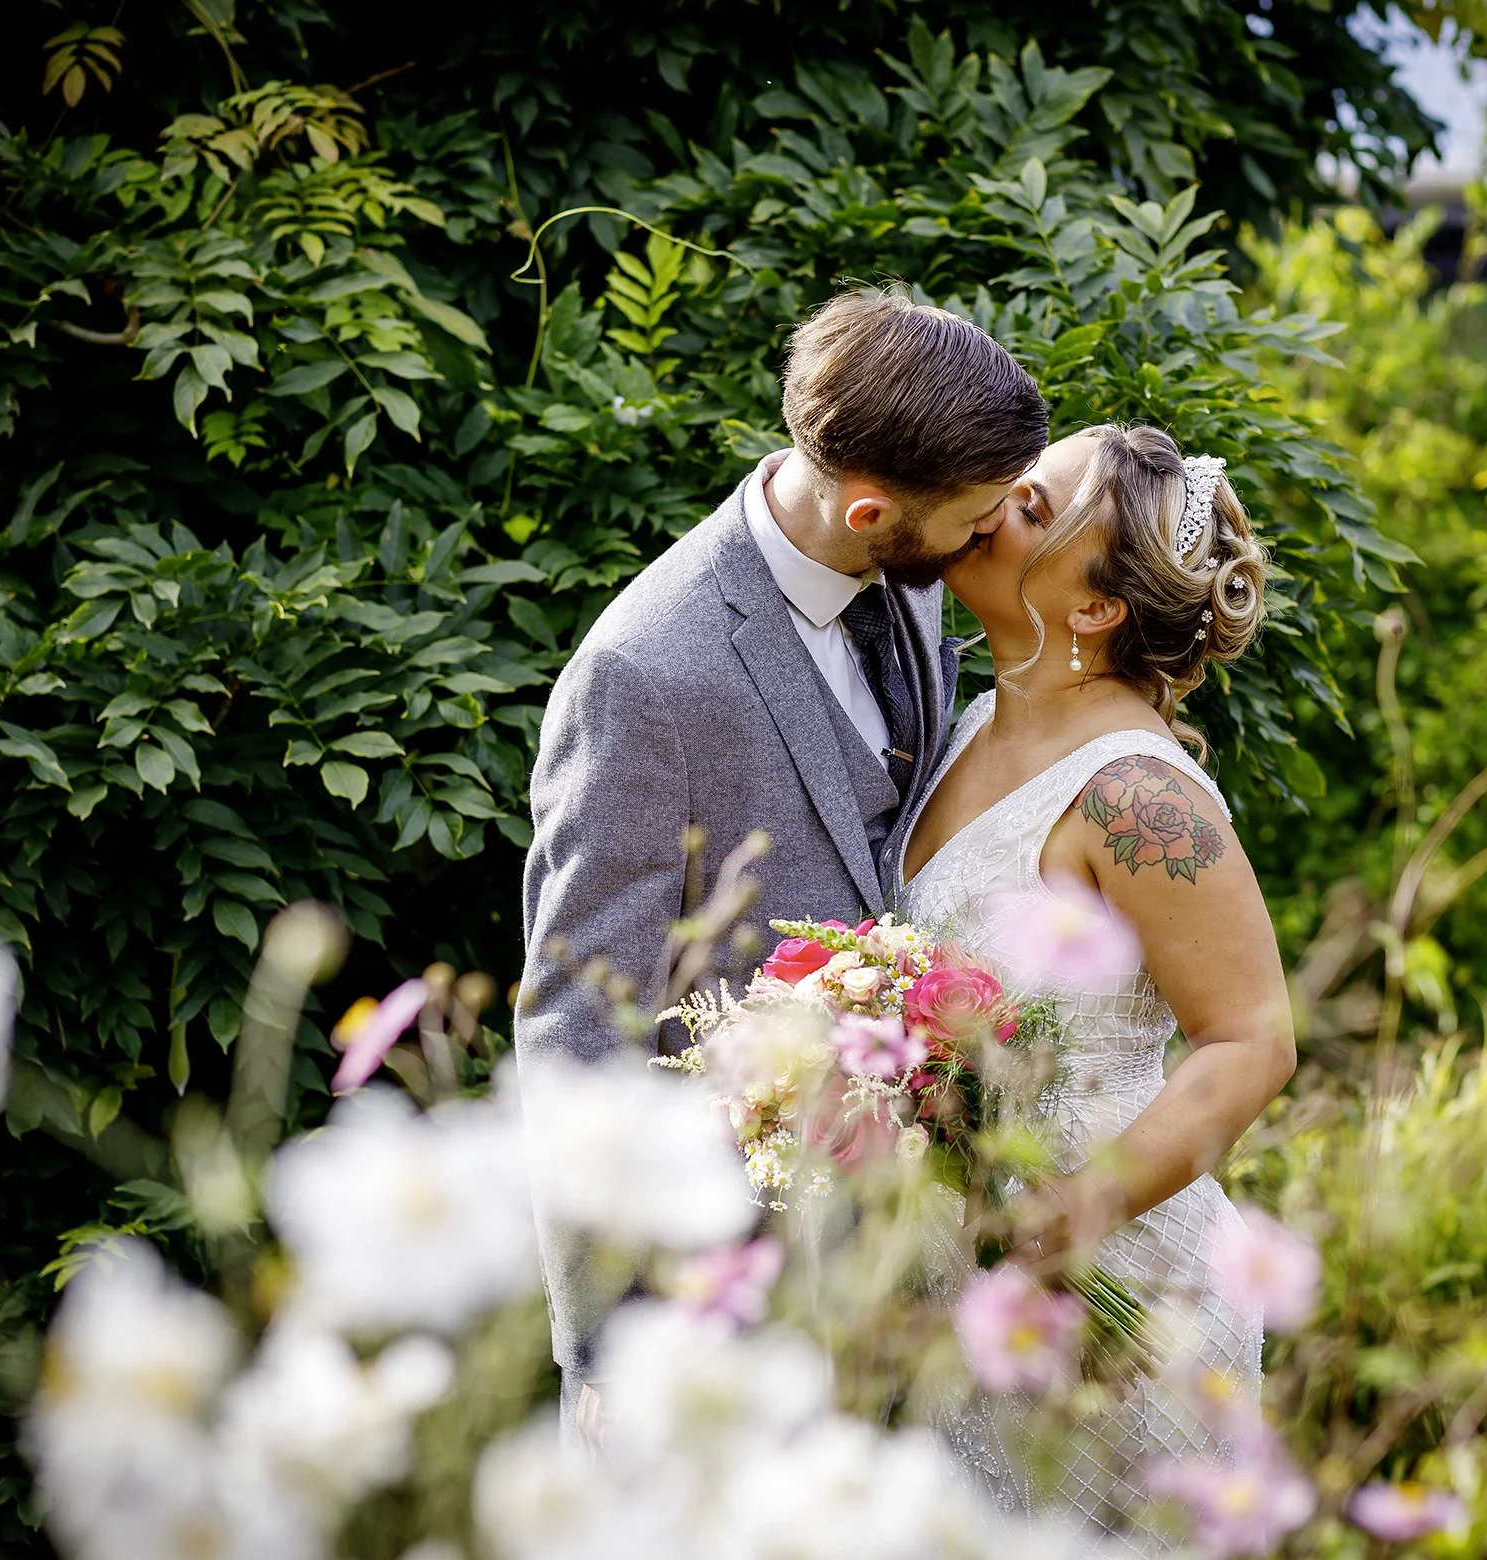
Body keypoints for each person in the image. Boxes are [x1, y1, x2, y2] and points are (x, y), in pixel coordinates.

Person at [516, 288, 1050, 1443]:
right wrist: (602, 1339)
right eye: (970, 520)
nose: (989, 539)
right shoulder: (644, 675)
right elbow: (576, 1021)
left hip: (886, 1285)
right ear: (869, 510)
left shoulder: (908, 593)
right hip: (704, 1313)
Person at [893, 425, 1298, 1532]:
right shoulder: (967, 720)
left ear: (1095, 609)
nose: (996, 502)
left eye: (1036, 506)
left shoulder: (1135, 796)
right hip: (961, 1279)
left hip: (1116, 1287)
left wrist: (1064, 1222)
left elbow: (1254, 1042)